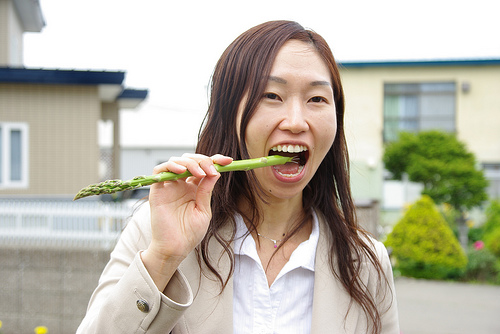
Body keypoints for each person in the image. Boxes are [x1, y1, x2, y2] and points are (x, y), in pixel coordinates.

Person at [77, 20, 399, 334]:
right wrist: (163, 258)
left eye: (317, 99)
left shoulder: (367, 263)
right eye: (272, 95)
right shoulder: (157, 233)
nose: (297, 121)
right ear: (229, 113)